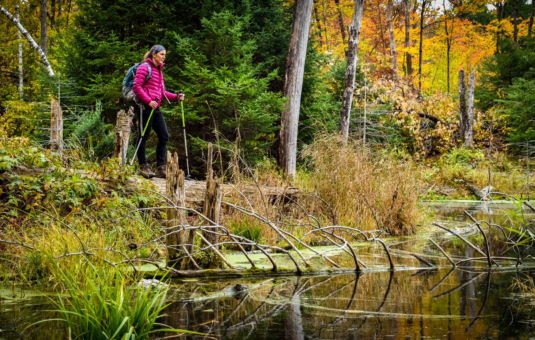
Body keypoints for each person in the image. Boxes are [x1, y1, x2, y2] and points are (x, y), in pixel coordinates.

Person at [133, 44, 185, 178]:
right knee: (143, 136)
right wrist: (148, 101)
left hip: (155, 108)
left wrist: (176, 97)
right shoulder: (144, 67)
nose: (164, 57)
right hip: (145, 107)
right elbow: (137, 87)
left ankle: (161, 168)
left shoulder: (159, 70)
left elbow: (162, 92)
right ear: (154, 54)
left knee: (164, 135)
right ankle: (143, 166)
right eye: (162, 54)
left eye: (164, 55)